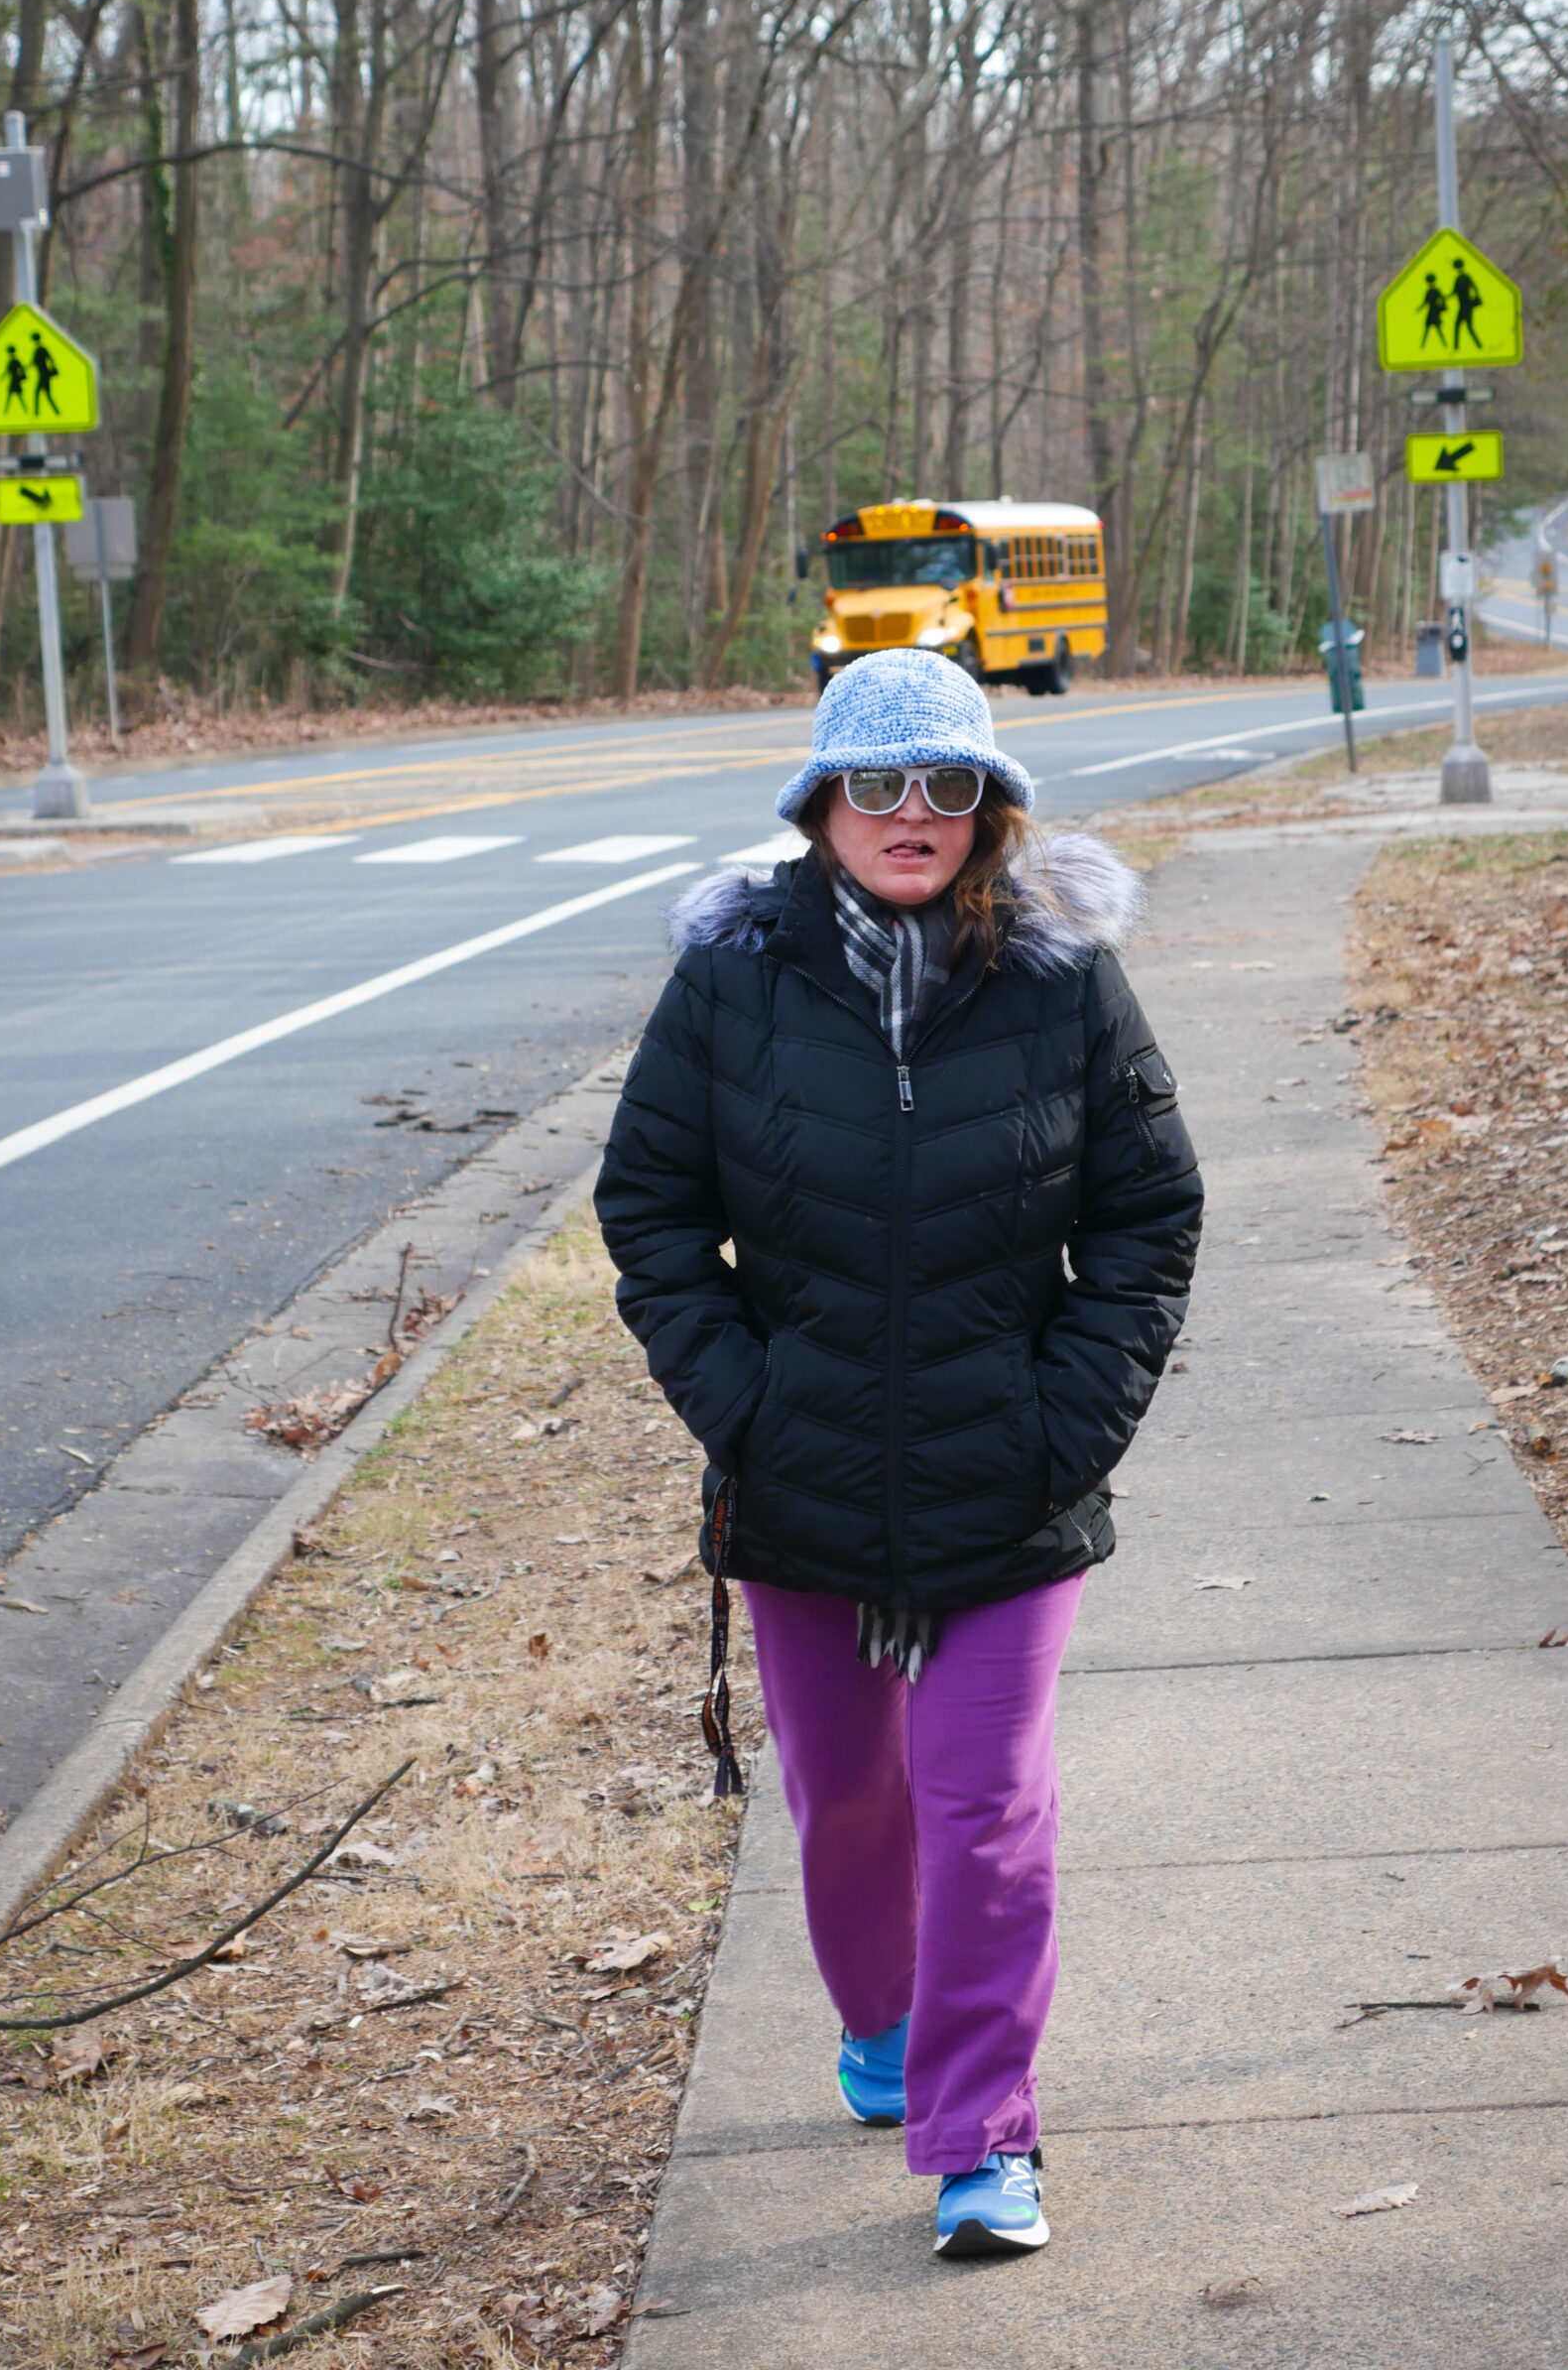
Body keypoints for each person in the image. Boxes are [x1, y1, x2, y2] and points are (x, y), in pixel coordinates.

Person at [596, 649, 1202, 2260]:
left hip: (1009, 1484)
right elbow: (651, 1213)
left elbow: (1148, 1214)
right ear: (819, 805)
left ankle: (983, 2141)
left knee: (982, 1802)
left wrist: (1062, 1422)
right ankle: (879, 2022)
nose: (911, 816)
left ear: (991, 805)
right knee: (850, 1802)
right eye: (877, 785)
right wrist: (747, 1401)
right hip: (798, 1486)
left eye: (946, 784)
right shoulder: (732, 981)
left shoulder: (1063, 978)